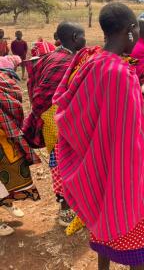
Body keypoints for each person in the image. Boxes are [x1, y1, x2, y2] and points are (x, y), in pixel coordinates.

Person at [53, 3, 144, 269]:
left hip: (97, 167)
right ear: (131, 30)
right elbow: (133, 137)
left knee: (104, 224)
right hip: (126, 173)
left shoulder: (91, 63)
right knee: (137, 240)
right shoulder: (123, 75)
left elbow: (72, 113)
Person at [23, 21, 86, 226]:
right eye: (83, 36)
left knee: (60, 162)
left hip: (52, 120)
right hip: (59, 121)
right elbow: (43, 94)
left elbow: (34, 89)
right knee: (64, 163)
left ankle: (71, 204)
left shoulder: (52, 57)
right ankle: (66, 209)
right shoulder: (65, 62)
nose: (85, 40)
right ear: (75, 37)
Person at [0, 61, 40, 236]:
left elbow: (13, 101)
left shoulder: (3, 79)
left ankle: (6, 203)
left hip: (2, 136)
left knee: (9, 171)